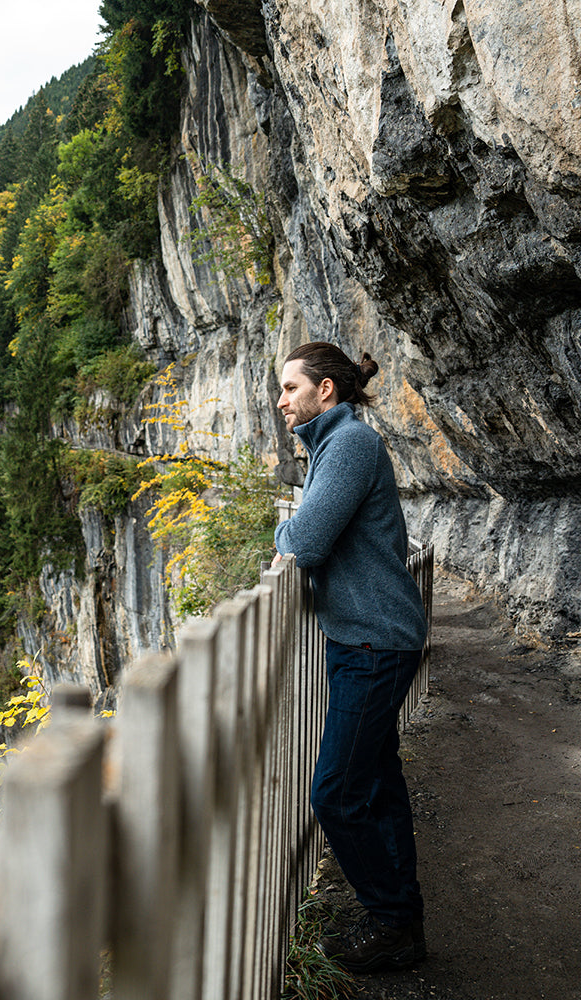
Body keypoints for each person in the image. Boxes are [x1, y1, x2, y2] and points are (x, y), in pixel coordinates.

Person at [272, 341, 428, 973]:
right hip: (363, 638)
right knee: (379, 784)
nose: (281, 401)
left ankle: (390, 920)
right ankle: (400, 921)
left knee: (337, 791)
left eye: (289, 387)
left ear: (324, 391)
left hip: (374, 642)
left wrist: (285, 531)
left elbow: (303, 538)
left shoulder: (351, 446)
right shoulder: (334, 444)